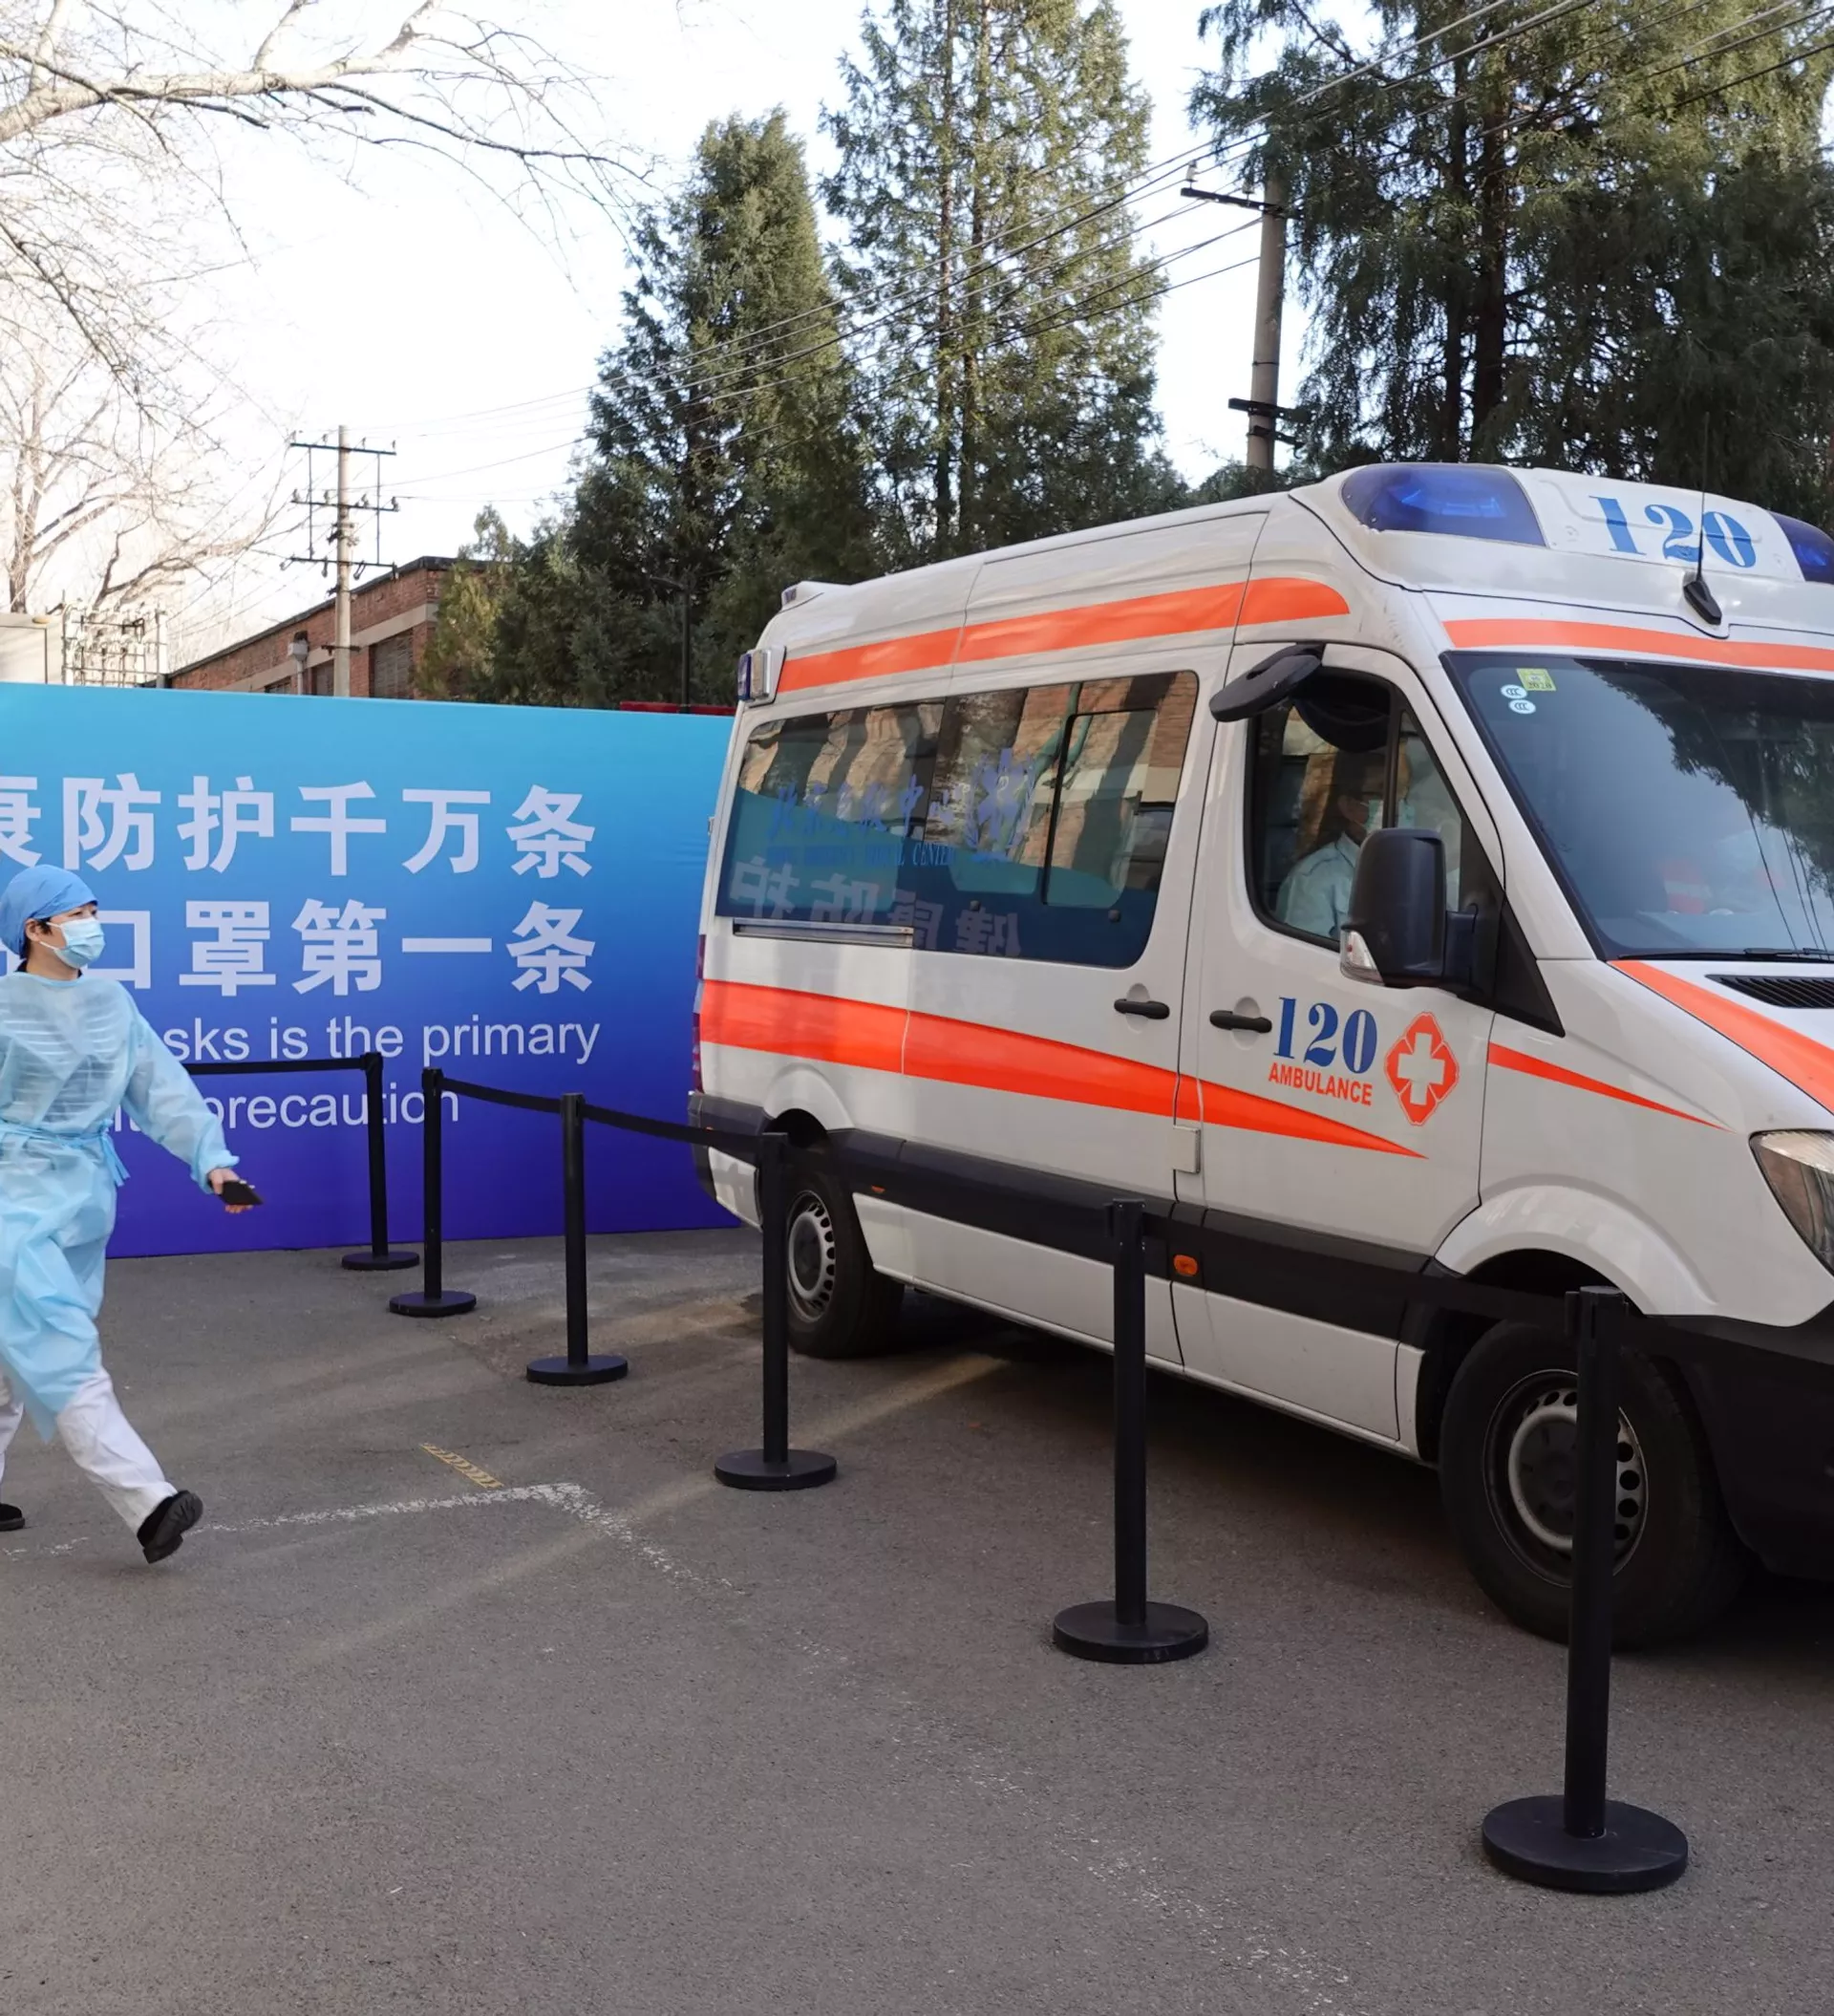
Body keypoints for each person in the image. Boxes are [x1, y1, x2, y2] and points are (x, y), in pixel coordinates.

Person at [0, 864, 250, 1563]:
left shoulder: (112, 1003)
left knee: (13, 1354)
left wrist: (213, 1161)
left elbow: (160, 1086)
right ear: (36, 929)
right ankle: (149, 1504)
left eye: (93, 910)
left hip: (82, 1201)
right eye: (77, 914)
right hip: (10, 1200)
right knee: (59, 1348)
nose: (92, 924)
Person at [1276, 751, 1388, 941]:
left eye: (1402, 794)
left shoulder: (1409, 865)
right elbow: (1307, 954)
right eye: (1380, 794)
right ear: (1348, 806)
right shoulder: (1314, 879)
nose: (1397, 804)